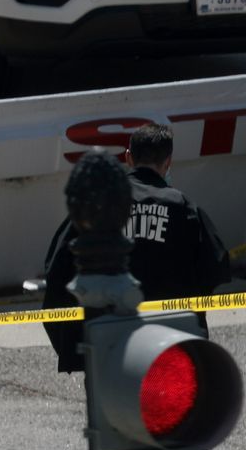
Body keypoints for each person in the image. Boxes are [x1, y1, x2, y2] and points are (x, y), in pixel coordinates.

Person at [41, 123, 232, 372]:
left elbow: (56, 270)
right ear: (168, 162)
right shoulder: (183, 208)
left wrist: (71, 347)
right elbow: (216, 268)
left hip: (105, 345)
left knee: (109, 409)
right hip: (169, 343)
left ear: (128, 158)